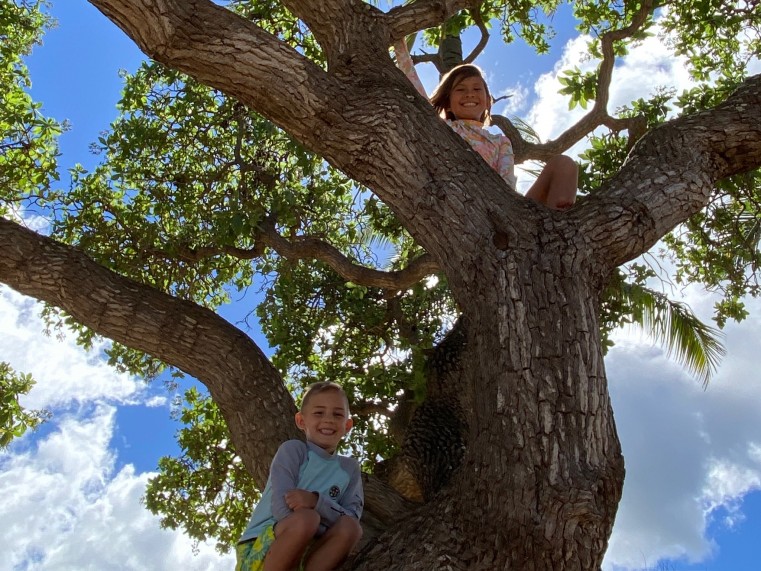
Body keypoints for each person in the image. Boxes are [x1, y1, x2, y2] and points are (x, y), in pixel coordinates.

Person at [394, 40, 578, 210]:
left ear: (487, 101)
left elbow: (507, 185)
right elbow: (413, 88)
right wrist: (400, 45)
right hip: (461, 207)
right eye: (460, 89)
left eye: (476, 89)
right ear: (448, 102)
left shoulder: (500, 142)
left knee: (563, 164)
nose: (469, 94)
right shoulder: (443, 128)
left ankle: (562, 224)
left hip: (506, 209)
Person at [236, 382, 364, 571]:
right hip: (264, 546)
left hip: (312, 551)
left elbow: (351, 516)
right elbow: (281, 508)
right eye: (319, 413)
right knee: (307, 519)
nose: (328, 420)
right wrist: (320, 520)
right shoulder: (294, 450)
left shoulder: (349, 468)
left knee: (351, 528)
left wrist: (316, 502)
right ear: (301, 421)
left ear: (347, 425)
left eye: (337, 414)